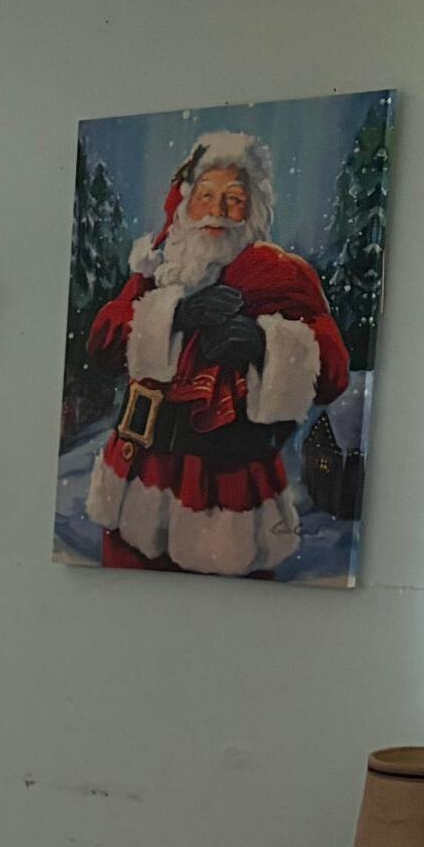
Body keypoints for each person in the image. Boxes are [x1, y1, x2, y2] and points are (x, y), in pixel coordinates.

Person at [82, 131, 349, 576]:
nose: (218, 211)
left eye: (233, 198)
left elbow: (334, 372)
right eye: (206, 195)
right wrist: (174, 315)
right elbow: (104, 344)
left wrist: (265, 342)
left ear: (253, 208)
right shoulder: (164, 266)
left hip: (227, 484)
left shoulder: (281, 274)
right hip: (136, 473)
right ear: (186, 202)